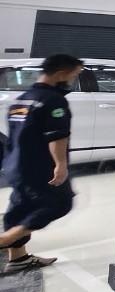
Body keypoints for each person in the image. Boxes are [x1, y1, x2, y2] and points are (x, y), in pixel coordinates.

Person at [0, 54, 84, 273]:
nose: (72, 80)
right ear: (61, 74)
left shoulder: (22, 99)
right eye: (73, 76)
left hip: (15, 164)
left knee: (20, 208)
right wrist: (60, 165)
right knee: (59, 204)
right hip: (39, 167)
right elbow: (56, 136)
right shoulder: (53, 100)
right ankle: (5, 240)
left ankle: (18, 258)